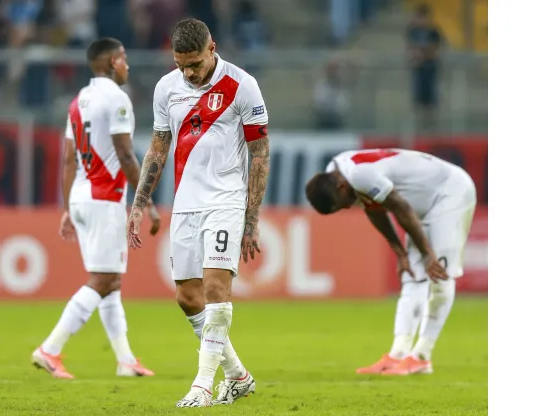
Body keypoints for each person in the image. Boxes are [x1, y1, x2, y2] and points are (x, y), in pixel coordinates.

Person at [126, 18, 271, 407]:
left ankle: (203, 385)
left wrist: (251, 219)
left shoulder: (242, 86)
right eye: (181, 65)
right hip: (185, 203)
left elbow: (259, 153)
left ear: (213, 49)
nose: (188, 73)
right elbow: (158, 147)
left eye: (195, 64)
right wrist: (139, 202)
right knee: (188, 297)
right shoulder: (165, 88)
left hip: (226, 199)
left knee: (214, 290)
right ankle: (238, 376)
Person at [32, 37, 160, 379]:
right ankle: (50, 348)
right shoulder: (117, 99)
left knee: (111, 282)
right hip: (104, 198)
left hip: (80, 196)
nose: (127, 65)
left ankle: (125, 360)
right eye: (124, 58)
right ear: (112, 62)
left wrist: (66, 209)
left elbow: (68, 160)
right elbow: (125, 154)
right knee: (103, 279)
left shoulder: (79, 101)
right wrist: (145, 202)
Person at [305, 148, 477, 375]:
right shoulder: (336, 175)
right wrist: (400, 252)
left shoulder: (359, 175)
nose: (347, 207)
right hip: (424, 204)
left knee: (439, 272)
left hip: (451, 193)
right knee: (412, 276)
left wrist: (427, 254)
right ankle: (398, 356)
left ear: (341, 187)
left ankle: (422, 356)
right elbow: (375, 209)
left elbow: (400, 208)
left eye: (342, 204)